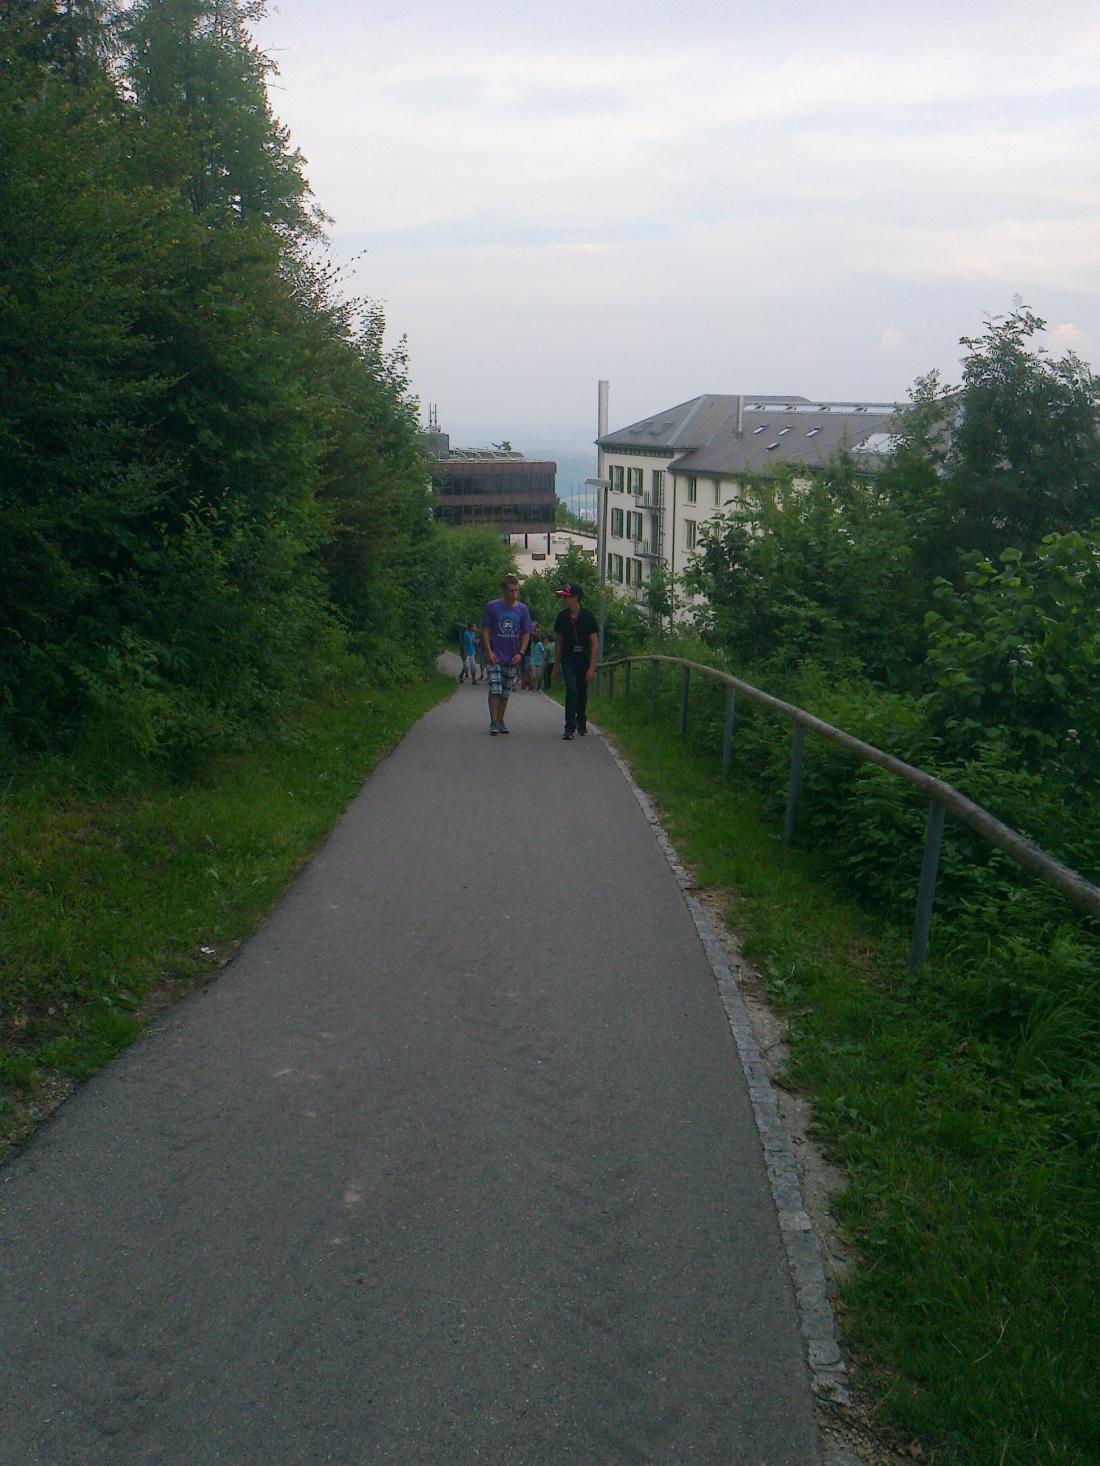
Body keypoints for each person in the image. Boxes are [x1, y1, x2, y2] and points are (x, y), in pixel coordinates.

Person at [482, 573, 531, 734]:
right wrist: (489, 651)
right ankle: (493, 721)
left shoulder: (523, 609)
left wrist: (521, 653)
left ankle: (500, 720)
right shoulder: (492, 606)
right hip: (495, 654)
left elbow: (526, 633)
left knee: (505, 691)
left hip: (512, 656)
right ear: (504, 590)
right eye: (511, 591)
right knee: (495, 688)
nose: (514, 594)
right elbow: (485, 630)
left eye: (516, 591)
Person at [553, 582, 598, 740]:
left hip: (583, 660)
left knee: (582, 692)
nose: (564, 600)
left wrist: (592, 668)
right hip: (568, 659)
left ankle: (581, 720)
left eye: (566, 597)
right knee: (571, 689)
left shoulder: (588, 617)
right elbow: (558, 642)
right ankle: (569, 727)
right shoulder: (562, 617)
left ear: (575, 598)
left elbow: (594, 644)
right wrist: (556, 666)